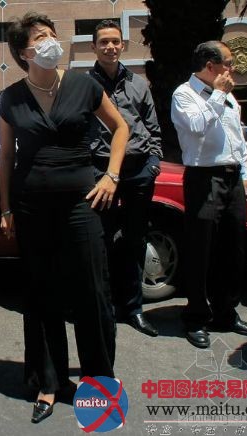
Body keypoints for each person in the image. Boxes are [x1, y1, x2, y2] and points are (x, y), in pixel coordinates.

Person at [0, 12, 128, 423]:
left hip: (81, 204)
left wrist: (111, 175)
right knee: (41, 295)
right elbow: (5, 156)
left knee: (92, 292)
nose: (51, 40)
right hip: (32, 207)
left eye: (52, 34)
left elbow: (120, 128)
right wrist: (5, 208)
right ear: (24, 52)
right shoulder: (11, 97)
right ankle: (49, 382)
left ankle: (99, 382)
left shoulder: (84, 85)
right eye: (41, 37)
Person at [171, 41, 247, 349]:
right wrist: (219, 95)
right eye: (228, 63)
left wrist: (245, 174)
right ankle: (196, 316)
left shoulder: (228, 94)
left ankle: (226, 312)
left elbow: (237, 137)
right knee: (201, 249)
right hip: (204, 178)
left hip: (231, 177)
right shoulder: (184, 94)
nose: (232, 68)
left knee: (232, 248)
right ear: (211, 66)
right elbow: (197, 127)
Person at [89, 20, 162, 337]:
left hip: (138, 171)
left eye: (115, 41)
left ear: (123, 45)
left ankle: (133, 309)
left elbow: (153, 127)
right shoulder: (84, 86)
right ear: (94, 47)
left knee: (135, 241)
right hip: (101, 172)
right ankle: (103, 307)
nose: (110, 47)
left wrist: (153, 163)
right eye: (104, 42)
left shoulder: (139, 83)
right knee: (101, 241)